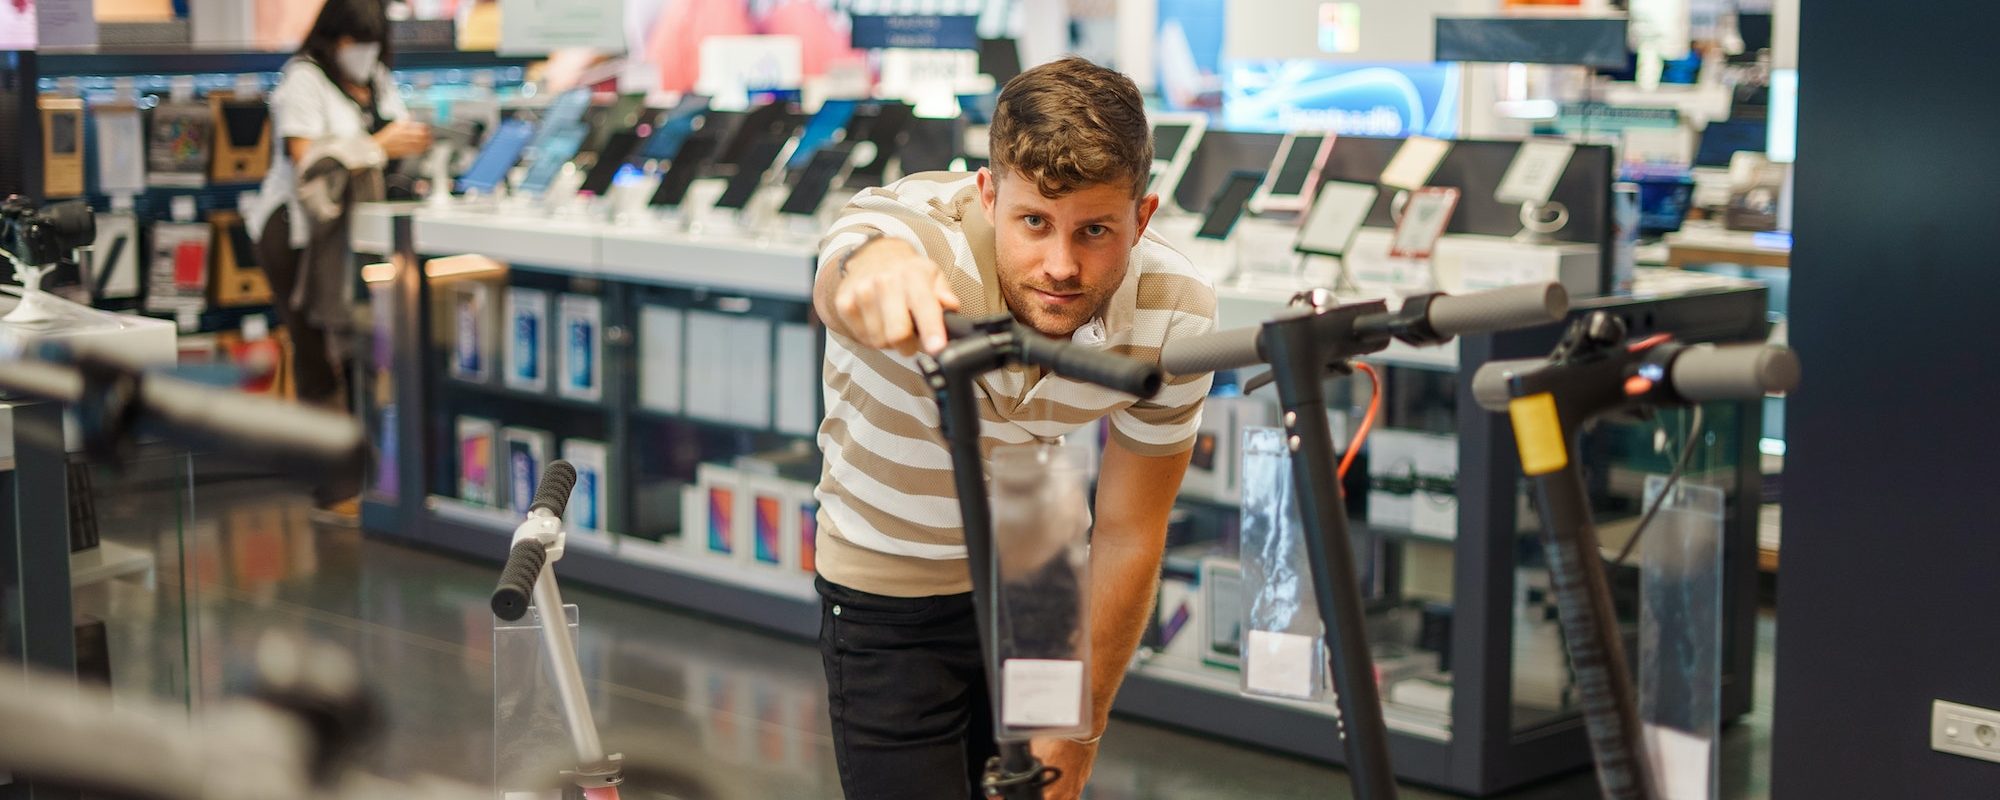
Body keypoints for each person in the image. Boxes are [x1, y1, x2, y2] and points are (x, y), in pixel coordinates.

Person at [812, 57, 1216, 800]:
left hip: (1036, 576)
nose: (1061, 265)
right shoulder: (910, 230)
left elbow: (1130, 531)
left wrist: (1080, 731)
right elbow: (851, 264)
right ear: (988, 193)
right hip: (890, 582)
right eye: (1034, 223)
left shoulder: (1177, 312)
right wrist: (872, 276)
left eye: (1095, 230)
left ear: (1143, 216)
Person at [248, 0, 430, 523]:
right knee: (314, 352)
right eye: (353, 41)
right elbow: (306, 159)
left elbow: (394, 137)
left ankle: (371, 473)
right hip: (298, 233)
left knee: (359, 351)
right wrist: (377, 144)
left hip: (358, 237)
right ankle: (331, 488)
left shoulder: (378, 81)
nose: (362, 52)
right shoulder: (301, 82)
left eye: (371, 42)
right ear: (332, 39)